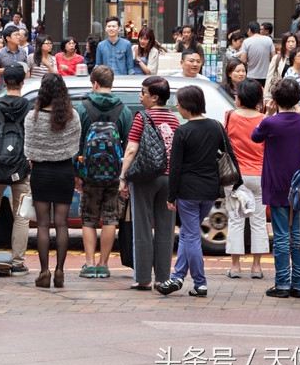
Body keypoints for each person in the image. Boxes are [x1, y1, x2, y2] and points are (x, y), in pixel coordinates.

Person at [156, 85, 239, 298]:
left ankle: (200, 283)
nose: (177, 107)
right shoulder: (216, 127)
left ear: (187, 106)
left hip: (187, 191)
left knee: (191, 235)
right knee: (187, 233)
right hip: (210, 191)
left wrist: (171, 195)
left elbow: (174, 167)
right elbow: (230, 154)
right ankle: (177, 277)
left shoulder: (183, 131)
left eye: (179, 104)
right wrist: (236, 182)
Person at [252, 78, 300, 299]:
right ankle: (299, 284)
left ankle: (282, 283)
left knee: (280, 235)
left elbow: (255, 136)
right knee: (298, 236)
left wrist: (268, 114)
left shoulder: (270, 123)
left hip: (276, 183)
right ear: (298, 98)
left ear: (275, 99)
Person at [119, 76, 181, 291]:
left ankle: (143, 277)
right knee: (166, 228)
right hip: (168, 178)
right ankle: (163, 278)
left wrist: (123, 177)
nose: (140, 96)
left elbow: (131, 149)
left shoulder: (142, 118)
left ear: (154, 97)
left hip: (145, 177)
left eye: (143, 92)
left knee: (142, 227)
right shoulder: (174, 119)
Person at [23, 73, 81, 288]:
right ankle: (60, 272)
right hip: (64, 171)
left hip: (41, 172)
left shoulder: (32, 117)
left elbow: (28, 149)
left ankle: (44, 271)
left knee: (43, 225)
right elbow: (74, 145)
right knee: (63, 224)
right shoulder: (72, 116)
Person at [77, 65, 133, 279]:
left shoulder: (83, 108)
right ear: (111, 84)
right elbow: (129, 144)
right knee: (110, 218)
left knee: (89, 218)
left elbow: (79, 142)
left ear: (95, 84)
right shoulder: (124, 110)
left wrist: (78, 173)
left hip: (89, 172)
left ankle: (89, 264)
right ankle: (103, 264)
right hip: (115, 172)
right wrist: (124, 176)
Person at [0, 64, 32, 276]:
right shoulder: (29, 107)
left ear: (4, 82)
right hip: (21, 167)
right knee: (21, 216)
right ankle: (18, 262)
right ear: (22, 82)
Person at [220, 79, 267, 280]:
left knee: (236, 219)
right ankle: (256, 267)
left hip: (234, 177)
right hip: (259, 174)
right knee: (258, 221)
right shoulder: (265, 120)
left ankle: (236, 266)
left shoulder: (229, 117)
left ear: (239, 99)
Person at [240, 21, 276, 87]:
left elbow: (243, 60)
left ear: (249, 30)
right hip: (266, 75)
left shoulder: (246, 42)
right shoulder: (268, 40)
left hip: (251, 76)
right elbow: (274, 57)